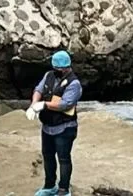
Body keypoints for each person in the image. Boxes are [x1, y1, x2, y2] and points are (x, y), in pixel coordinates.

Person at [26, 50, 82, 196]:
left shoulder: (74, 83)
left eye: (58, 68)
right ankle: (49, 185)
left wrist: (44, 105)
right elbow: (38, 89)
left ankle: (64, 188)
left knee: (63, 158)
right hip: (47, 127)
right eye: (54, 67)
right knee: (48, 155)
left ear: (65, 67)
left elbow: (65, 104)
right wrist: (34, 104)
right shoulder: (48, 75)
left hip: (65, 127)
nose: (55, 71)